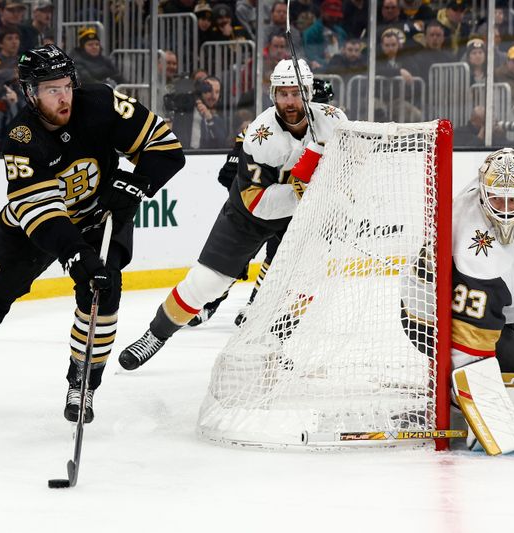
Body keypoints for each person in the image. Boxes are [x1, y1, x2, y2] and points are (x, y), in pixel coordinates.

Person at [0, 45, 185, 422]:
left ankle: (82, 385)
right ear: (31, 93)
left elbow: (166, 148)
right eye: (51, 89)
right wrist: (74, 253)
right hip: (34, 226)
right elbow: (40, 213)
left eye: (66, 85)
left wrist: (135, 184)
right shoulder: (21, 139)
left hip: (100, 216)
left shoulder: (101, 102)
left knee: (103, 290)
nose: (63, 96)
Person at [117, 59, 347, 371]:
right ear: (272, 95)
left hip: (304, 217)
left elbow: (351, 165)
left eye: (296, 93)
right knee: (205, 284)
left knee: (308, 280)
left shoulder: (333, 121)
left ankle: (275, 343)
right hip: (249, 215)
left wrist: (328, 189)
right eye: (283, 94)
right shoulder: (260, 137)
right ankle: (156, 334)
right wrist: (302, 190)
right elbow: (257, 202)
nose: (290, 101)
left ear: (309, 92)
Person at [403, 148, 514, 373]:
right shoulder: (476, 258)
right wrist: (473, 382)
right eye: (497, 199)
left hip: (470, 295)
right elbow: (467, 348)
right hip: (425, 316)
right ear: (483, 193)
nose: (505, 210)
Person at [170, 76, 228, 149]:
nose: (213, 96)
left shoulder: (219, 117)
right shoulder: (186, 111)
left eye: (217, 92)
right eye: (209, 91)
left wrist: (210, 119)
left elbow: (222, 143)